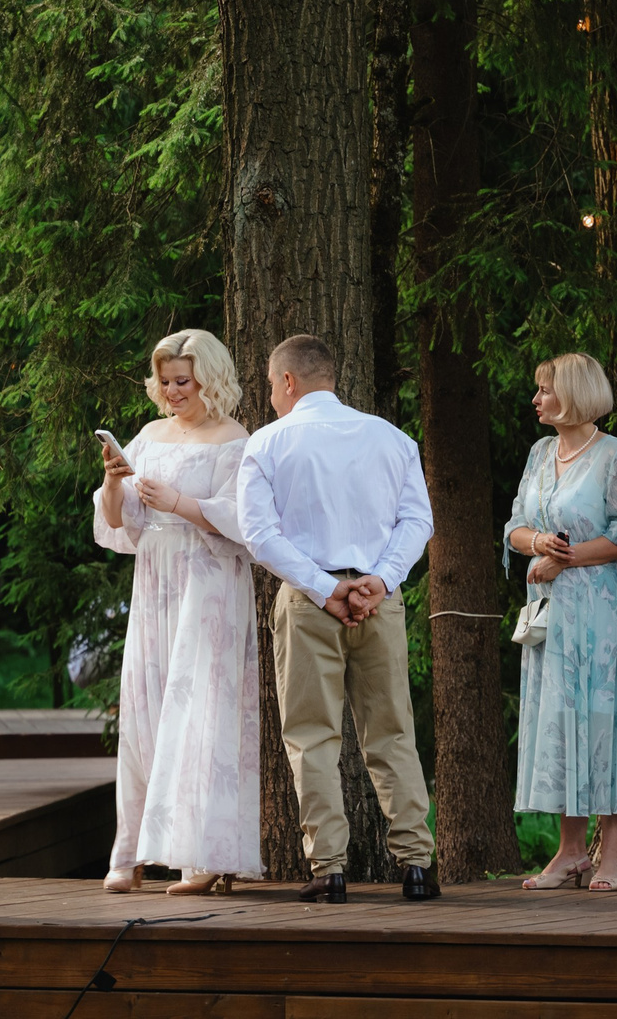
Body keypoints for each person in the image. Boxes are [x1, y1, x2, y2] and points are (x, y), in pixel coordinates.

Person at [233, 334, 438, 903]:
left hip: (308, 604)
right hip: (379, 601)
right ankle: (417, 865)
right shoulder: (393, 439)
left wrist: (327, 590)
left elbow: (260, 534)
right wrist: (379, 581)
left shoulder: (268, 444)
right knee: (393, 731)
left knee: (312, 737)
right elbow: (416, 520)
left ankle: (329, 870)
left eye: (273, 385)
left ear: (290, 382)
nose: (272, 396)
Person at [93, 329, 261, 895]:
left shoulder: (235, 439)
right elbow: (117, 523)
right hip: (155, 578)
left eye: (181, 381)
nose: (171, 392)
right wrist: (114, 483)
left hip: (208, 581)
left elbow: (243, 523)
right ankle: (129, 853)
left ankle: (203, 857)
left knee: (201, 714)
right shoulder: (147, 435)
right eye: (164, 382)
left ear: (207, 379)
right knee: (144, 710)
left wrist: (180, 504)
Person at [504, 352, 617, 892]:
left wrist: (563, 557)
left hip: (601, 611)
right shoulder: (541, 454)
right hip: (551, 614)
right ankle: (569, 852)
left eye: (545, 389)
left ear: (575, 394)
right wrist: (536, 542)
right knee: (560, 721)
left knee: (603, 718)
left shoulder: (614, 455)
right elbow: (516, 523)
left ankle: (611, 852)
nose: (537, 399)